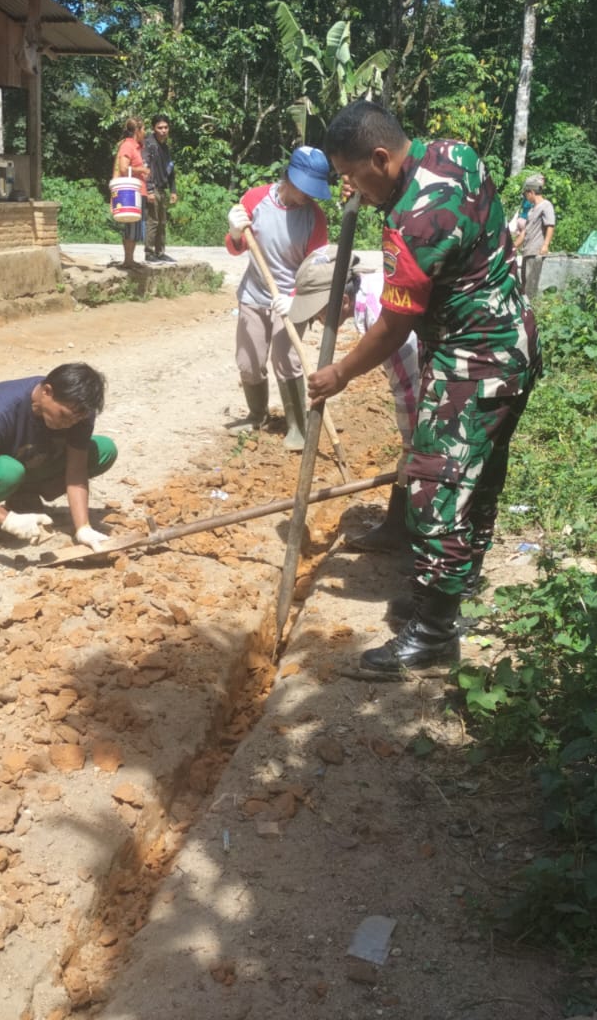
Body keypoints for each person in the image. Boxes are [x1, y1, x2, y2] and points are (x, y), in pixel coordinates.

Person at [310, 101, 540, 672]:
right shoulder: (456, 154)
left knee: (434, 490)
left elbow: (394, 325)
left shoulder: (412, 223)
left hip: (473, 363)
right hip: (515, 344)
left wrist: (339, 373)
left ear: (380, 158)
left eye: (352, 176)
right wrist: (371, 194)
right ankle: (450, 596)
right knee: (477, 483)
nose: (353, 191)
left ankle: (434, 635)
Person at [286, 247, 420, 552]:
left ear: (343, 301)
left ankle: (410, 533)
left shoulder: (380, 315)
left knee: (420, 449)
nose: (317, 319)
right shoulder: (371, 292)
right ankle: (402, 525)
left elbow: (410, 389)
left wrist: (412, 444)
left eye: (318, 312)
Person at [0, 363, 114, 552]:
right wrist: (7, 520)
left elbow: (76, 470)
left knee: (104, 449)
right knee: (9, 470)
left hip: (30, 458)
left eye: (76, 420)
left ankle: (23, 496)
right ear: (47, 391)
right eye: (63, 415)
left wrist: (83, 528)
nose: (69, 424)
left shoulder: (78, 411)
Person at [225, 146, 333, 451]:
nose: (307, 196)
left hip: (293, 297)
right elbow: (235, 248)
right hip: (255, 293)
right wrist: (235, 233)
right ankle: (257, 415)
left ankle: (297, 425)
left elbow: (316, 269)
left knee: (286, 358)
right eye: (304, 188)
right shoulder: (255, 199)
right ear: (289, 177)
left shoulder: (314, 218)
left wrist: (296, 298)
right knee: (248, 361)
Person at [112, 117, 149, 269]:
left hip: (139, 191)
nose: (145, 132)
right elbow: (123, 168)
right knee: (131, 226)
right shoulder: (127, 146)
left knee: (136, 227)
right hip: (131, 193)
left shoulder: (137, 147)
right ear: (137, 131)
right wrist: (141, 169)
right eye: (144, 129)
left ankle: (130, 259)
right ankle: (128, 260)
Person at [142, 114, 179, 264]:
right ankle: (149, 253)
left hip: (162, 188)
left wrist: (173, 190)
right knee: (153, 221)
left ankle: (160, 252)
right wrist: (149, 189)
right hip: (153, 187)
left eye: (166, 127)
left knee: (162, 222)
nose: (163, 130)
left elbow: (170, 169)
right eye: (160, 128)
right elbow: (145, 168)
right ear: (153, 128)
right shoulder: (149, 144)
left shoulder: (165, 147)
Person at [517, 174, 556, 298]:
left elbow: (550, 225)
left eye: (526, 194)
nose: (526, 197)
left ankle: (531, 306)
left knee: (531, 286)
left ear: (532, 192)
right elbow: (525, 231)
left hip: (535, 252)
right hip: (527, 251)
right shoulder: (532, 210)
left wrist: (545, 245)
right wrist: (513, 246)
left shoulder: (546, 206)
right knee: (524, 284)